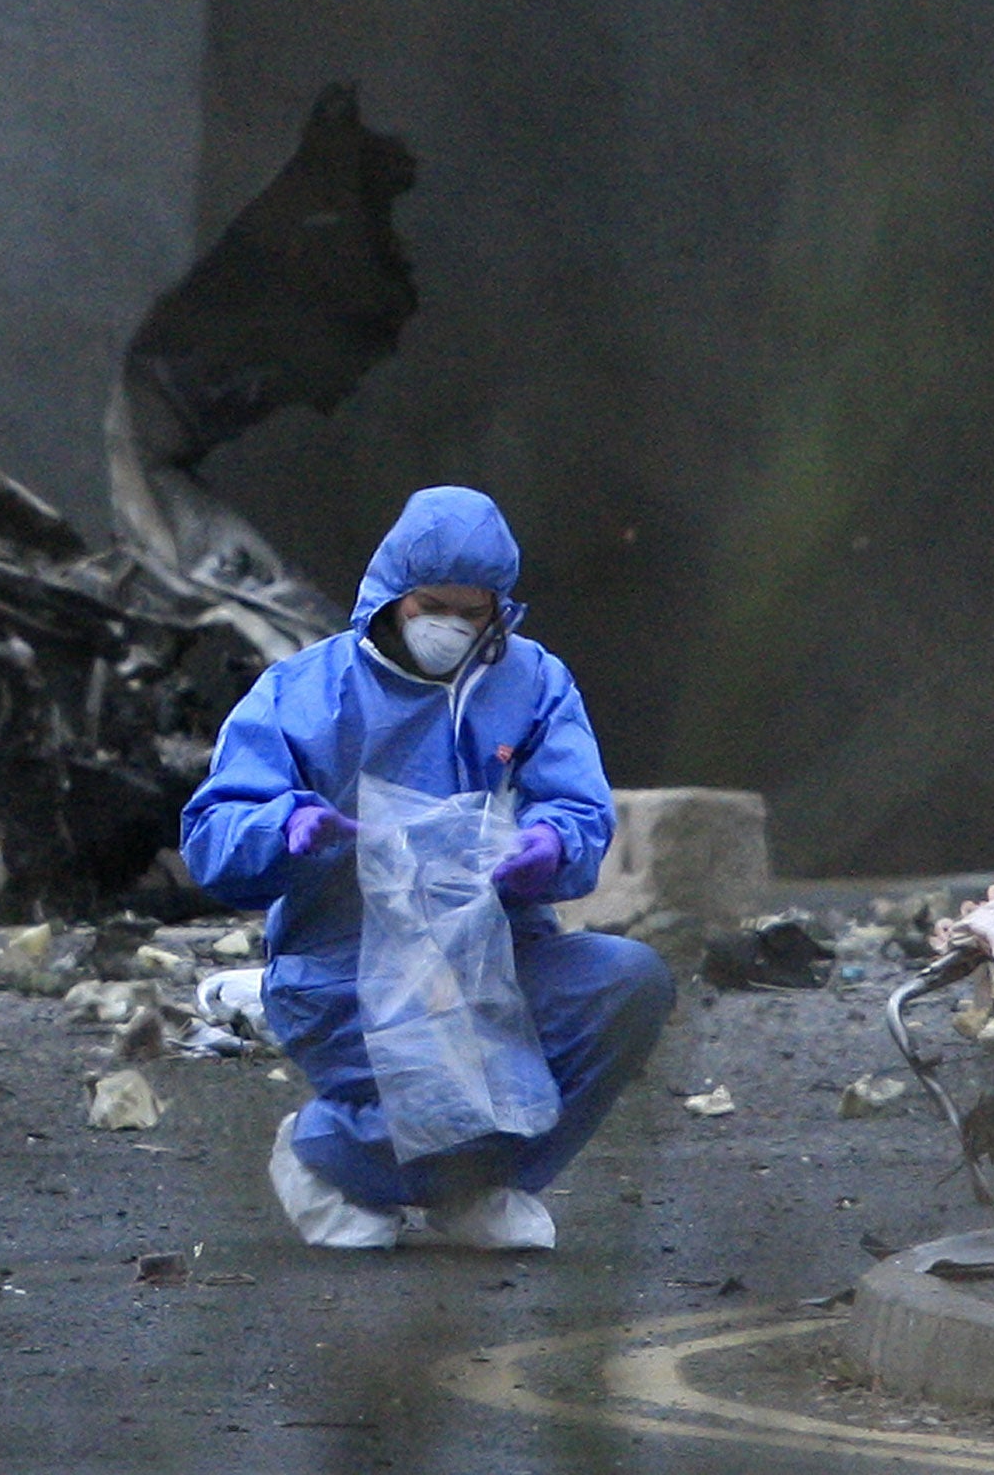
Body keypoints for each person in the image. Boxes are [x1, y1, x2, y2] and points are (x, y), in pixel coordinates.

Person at [181, 485, 672, 1249]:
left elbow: (577, 809)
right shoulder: (306, 691)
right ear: (391, 594)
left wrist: (549, 847)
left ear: (497, 609)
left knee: (629, 982)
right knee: (422, 1084)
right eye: (429, 606)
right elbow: (212, 833)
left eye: (469, 612)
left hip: (493, 961)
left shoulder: (534, 683)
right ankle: (326, 1155)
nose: (449, 626)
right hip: (346, 969)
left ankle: (455, 1181)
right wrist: (287, 826)